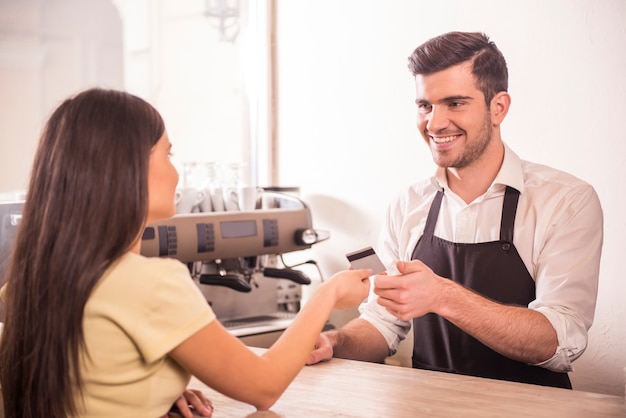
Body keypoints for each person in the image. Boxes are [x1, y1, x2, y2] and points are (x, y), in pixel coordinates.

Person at [0, 88, 372, 418]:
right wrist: (330, 293)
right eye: (168, 154)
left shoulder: (22, 285)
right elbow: (264, 387)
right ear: (129, 170)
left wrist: (149, 394)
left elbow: (87, 382)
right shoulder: (149, 281)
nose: (177, 174)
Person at [307, 31, 603, 389]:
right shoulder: (408, 204)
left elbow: (561, 341)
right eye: (425, 106)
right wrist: (335, 343)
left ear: (499, 107)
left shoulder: (565, 201)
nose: (434, 123)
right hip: (429, 407)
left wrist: (443, 296)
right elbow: (384, 323)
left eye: (455, 103)